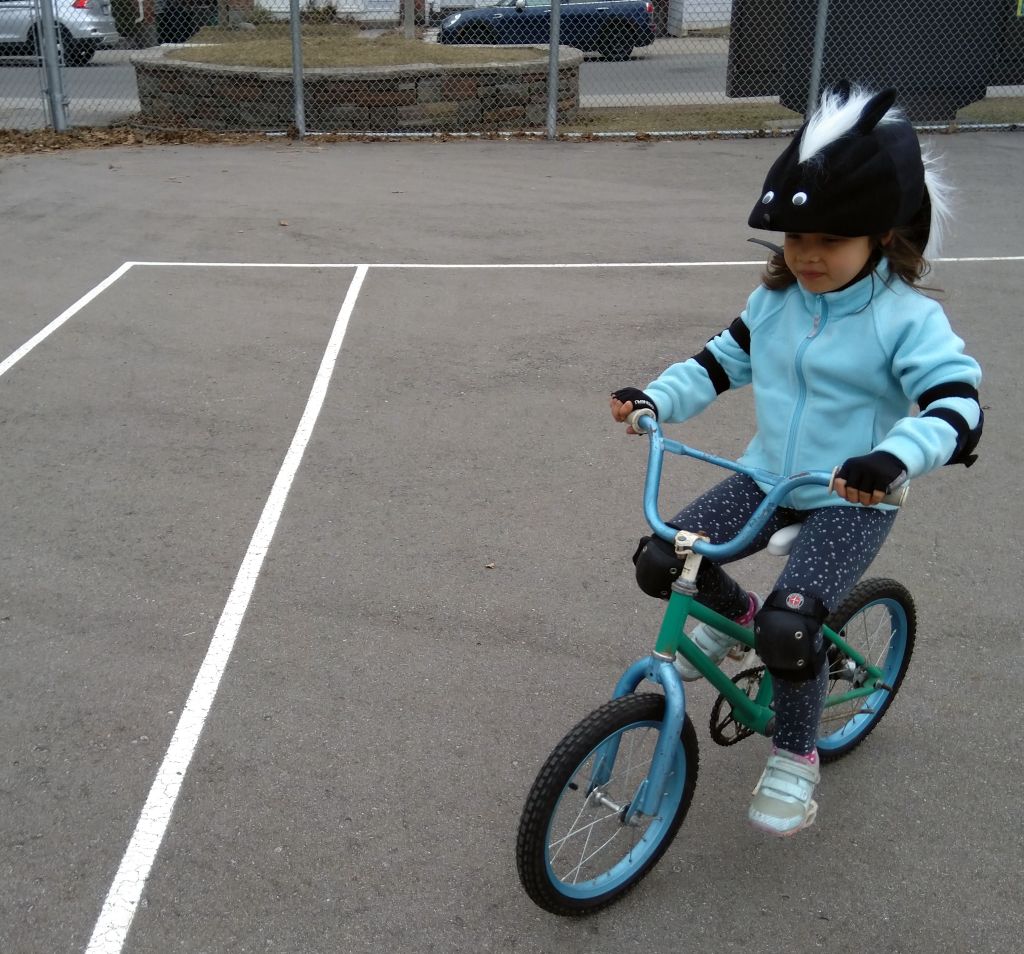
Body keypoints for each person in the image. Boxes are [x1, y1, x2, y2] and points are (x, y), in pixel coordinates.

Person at [609, 83, 983, 837]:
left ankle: (794, 753)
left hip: (850, 495)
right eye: (795, 239)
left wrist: (891, 457)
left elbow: (958, 408)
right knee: (661, 558)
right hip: (766, 476)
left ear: (882, 235)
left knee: (791, 632)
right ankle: (737, 616)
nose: (808, 255)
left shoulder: (906, 319)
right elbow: (717, 363)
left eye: (831, 241)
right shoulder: (775, 303)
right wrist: (654, 399)